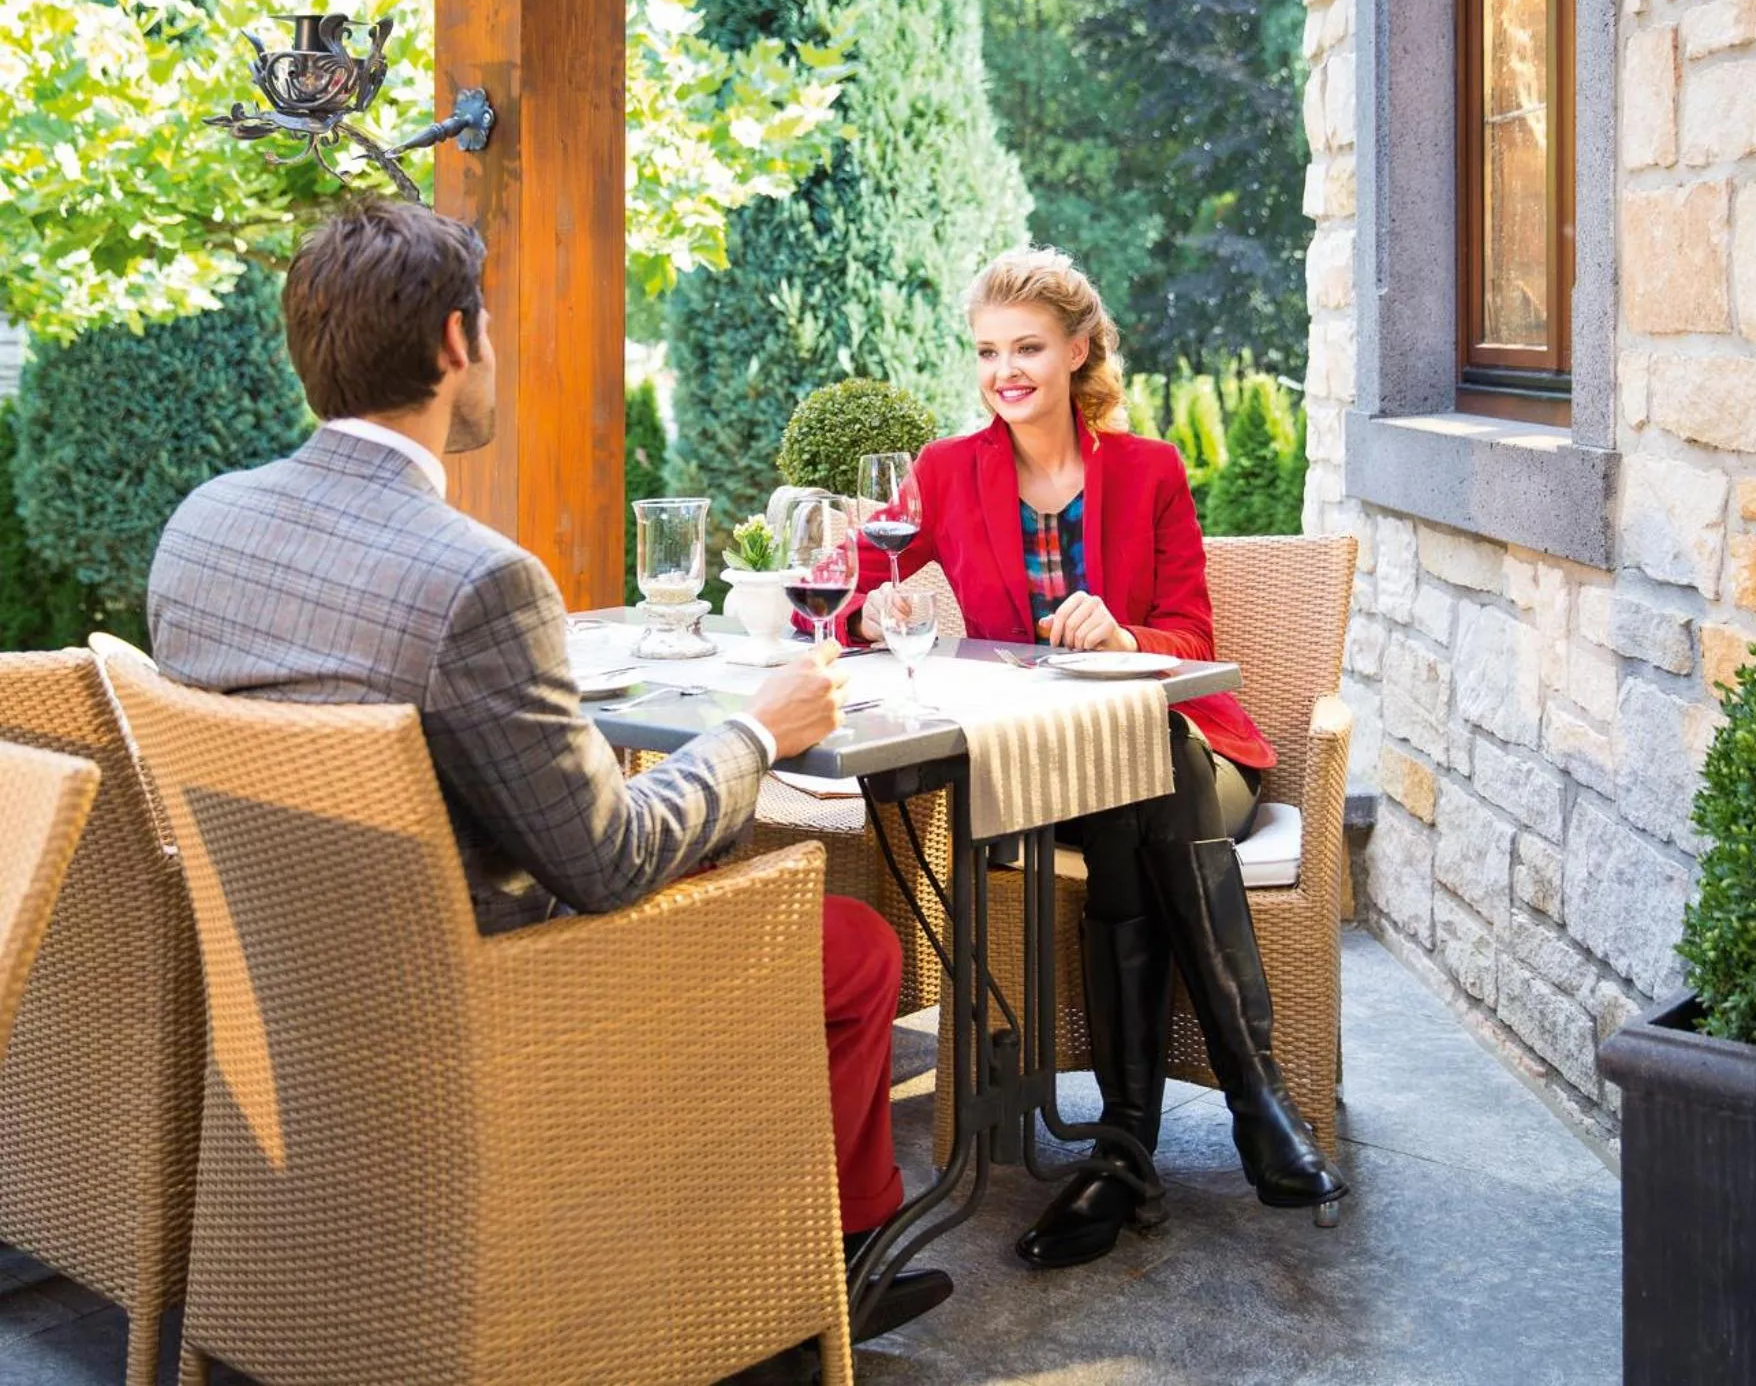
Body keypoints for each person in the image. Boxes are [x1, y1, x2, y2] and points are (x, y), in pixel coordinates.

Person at [146, 197, 949, 1343]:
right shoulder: (478, 580)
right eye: (492, 325)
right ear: (455, 343)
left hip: (284, 979)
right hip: (485, 1004)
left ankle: (689, 1209)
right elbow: (609, 864)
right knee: (854, 951)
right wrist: (758, 734)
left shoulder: (203, 525)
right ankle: (818, 1270)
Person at [853, 247, 1347, 1270]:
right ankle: (1254, 1098)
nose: (1005, 371)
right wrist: (880, 603)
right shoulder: (946, 471)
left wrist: (1123, 638)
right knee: (1131, 789)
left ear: (1077, 351)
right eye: (988, 351)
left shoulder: (1146, 470)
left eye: (1027, 346)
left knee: (1149, 755)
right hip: (1041, 773)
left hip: (1193, 759)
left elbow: (1190, 636)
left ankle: (1124, 1153)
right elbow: (860, 593)